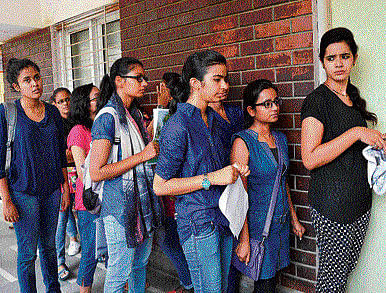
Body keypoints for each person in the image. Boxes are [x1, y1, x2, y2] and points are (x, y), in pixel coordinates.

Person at [153, 50, 249, 293]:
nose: (225, 85)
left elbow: (214, 166)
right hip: (197, 220)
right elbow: (160, 185)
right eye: (217, 79)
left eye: (225, 79)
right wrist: (211, 179)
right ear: (195, 84)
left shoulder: (215, 120)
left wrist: (235, 170)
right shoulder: (178, 124)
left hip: (224, 214)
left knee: (224, 287)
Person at [300, 27, 386, 292]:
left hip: (360, 204)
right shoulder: (317, 101)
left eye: (344, 56)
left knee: (342, 276)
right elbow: (310, 158)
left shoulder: (353, 99)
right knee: (331, 283)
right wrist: (357, 132)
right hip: (332, 207)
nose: (338, 63)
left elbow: (354, 149)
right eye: (331, 58)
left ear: (354, 59)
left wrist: (376, 140)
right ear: (322, 61)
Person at [89, 57, 162, 292]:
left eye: (145, 77)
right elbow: (97, 172)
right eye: (138, 78)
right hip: (118, 207)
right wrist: (142, 156)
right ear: (119, 81)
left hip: (141, 203)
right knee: (119, 272)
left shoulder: (135, 115)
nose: (144, 83)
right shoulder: (107, 117)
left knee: (140, 264)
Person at [0, 58, 70, 293]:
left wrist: (65, 188)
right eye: (27, 80)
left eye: (37, 77)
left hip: (51, 191)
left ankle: (54, 290)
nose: (35, 83)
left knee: (49, 247)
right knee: (28, 253)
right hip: (23, 193)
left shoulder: (52, 111)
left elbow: (61, 153)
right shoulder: (8, 113)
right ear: (16, 86)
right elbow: (0, 161)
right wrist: (7, 200)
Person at [231, 79, 305, 293]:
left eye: (276, 102)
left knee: (271, 280)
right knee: (264, 284)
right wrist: (244, 239)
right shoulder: (243, 142)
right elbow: (240, 194)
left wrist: (293, 219)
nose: (274, 108)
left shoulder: (280, 139)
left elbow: (281, 183)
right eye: (267, 104)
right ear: (251, 110)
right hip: (257, 227)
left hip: (279, 225)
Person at [153, 72, 194, 293]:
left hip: (174, 190)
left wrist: (161, 108)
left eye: (161, 88)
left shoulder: (174, 118)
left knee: (171, 240)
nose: (157, 92)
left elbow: (156, 145)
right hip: (172, 190)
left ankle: (189, 284)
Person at [67, 84, 100, 292]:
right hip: (88, 200)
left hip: (107, 195)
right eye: (96, 97)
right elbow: (83, 172)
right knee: (90, 250)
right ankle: (84, 290)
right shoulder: (78, 131)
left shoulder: (102, 124)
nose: (101, 99)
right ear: (84, 104)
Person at [50, 87, 81, 281]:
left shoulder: (76, 120)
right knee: (62, 215)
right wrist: (71, 153)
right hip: (61, 175)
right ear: (54, 104)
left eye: (67, 99)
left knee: (71, 210)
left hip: (76, 173)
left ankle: (74, 239)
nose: (65, 103)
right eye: (60, 101)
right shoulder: (53, 124)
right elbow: (63, 155)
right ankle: (59, 261)